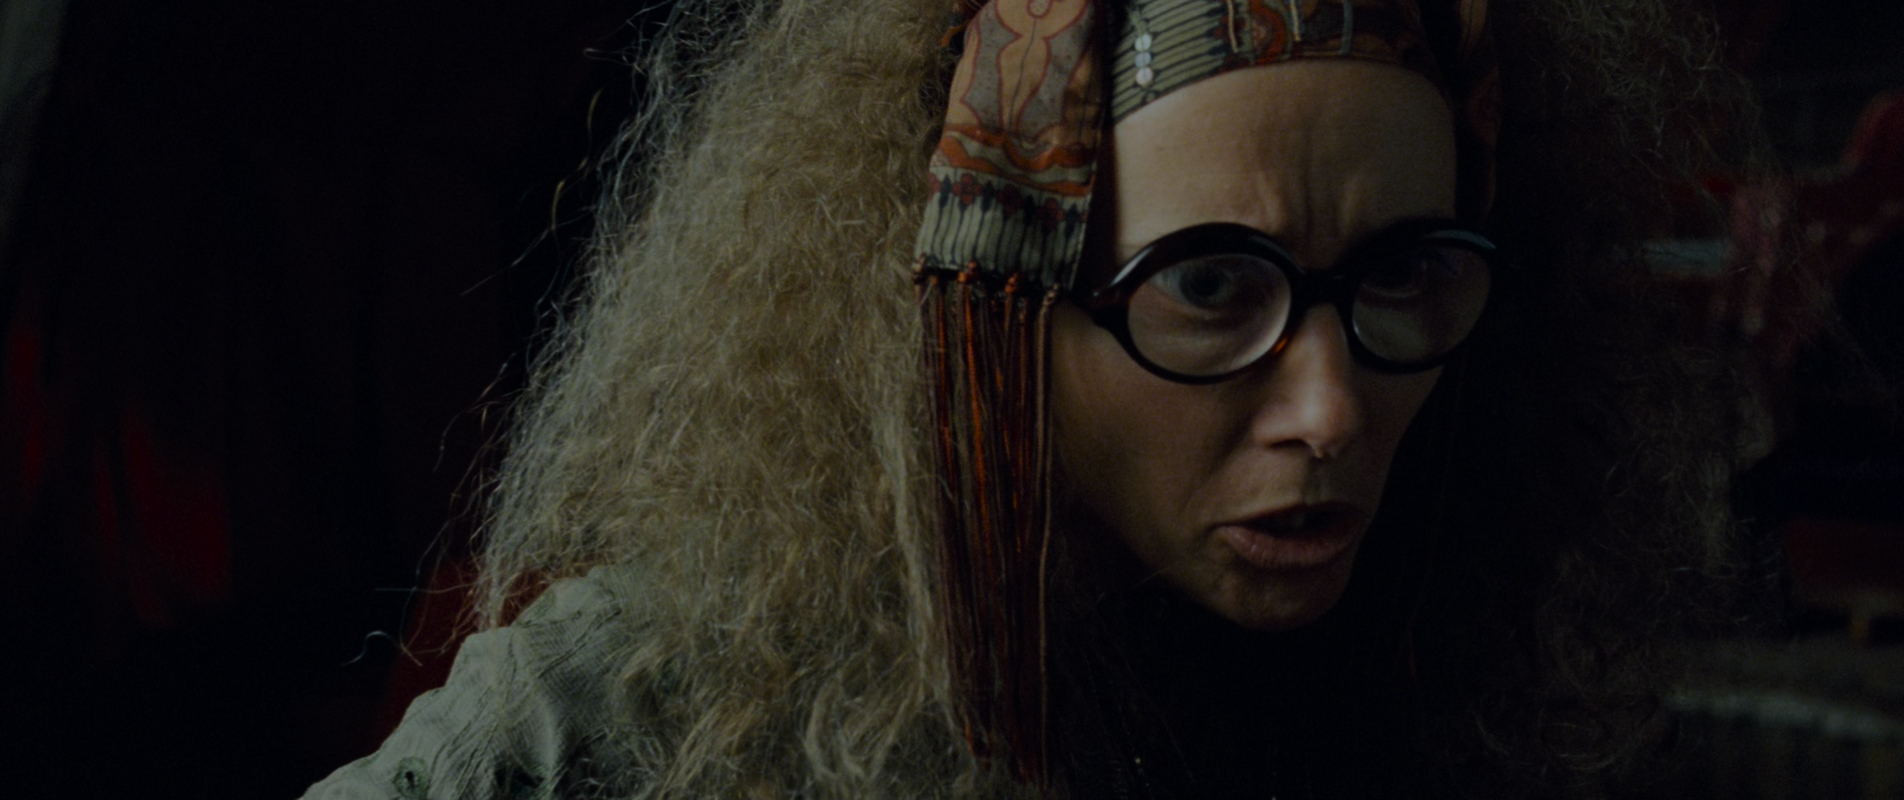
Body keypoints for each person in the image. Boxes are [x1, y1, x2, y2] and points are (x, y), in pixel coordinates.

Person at [304, 0, 1767, 797]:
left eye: (1403, 273)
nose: (1330, 408)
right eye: (1210, 285)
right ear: (983, 311)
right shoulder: (652, 705)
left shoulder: (1468, 694)